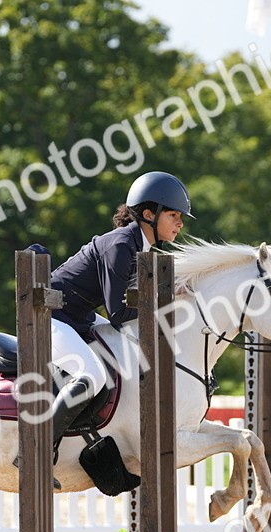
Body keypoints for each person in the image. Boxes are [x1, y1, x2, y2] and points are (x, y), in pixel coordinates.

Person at [29, 171, 190, 482]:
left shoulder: (138, 245)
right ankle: (37, 451)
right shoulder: (121, 244)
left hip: (78, 316)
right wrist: (166, 300)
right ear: (149, 214)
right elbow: (118, 312)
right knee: (91, 376)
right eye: (174, 215)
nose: (180, 223)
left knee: (127, 351)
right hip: (51, 316)